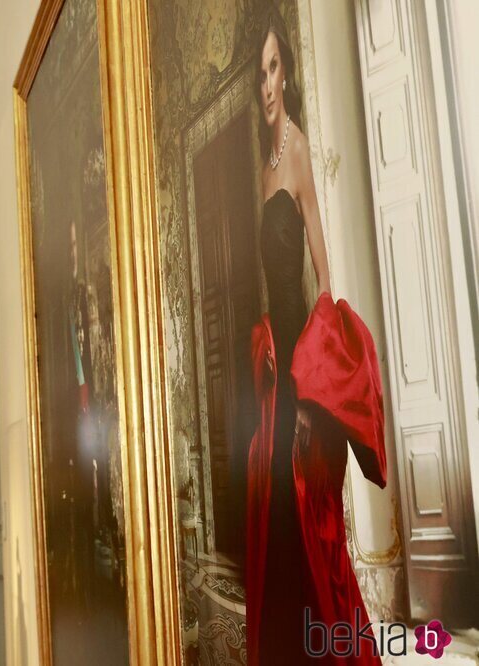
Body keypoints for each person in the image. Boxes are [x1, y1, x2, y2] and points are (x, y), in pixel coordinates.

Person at [245, 14, 386, 665]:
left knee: (310, 526)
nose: (268, 81)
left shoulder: (294, 148)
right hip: (278, 369)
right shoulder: (265, 162)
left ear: (289, 72)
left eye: (276, 66)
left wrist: (311, 381)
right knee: (281, 526)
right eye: (260, 69)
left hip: (303, 369)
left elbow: (324, 277)